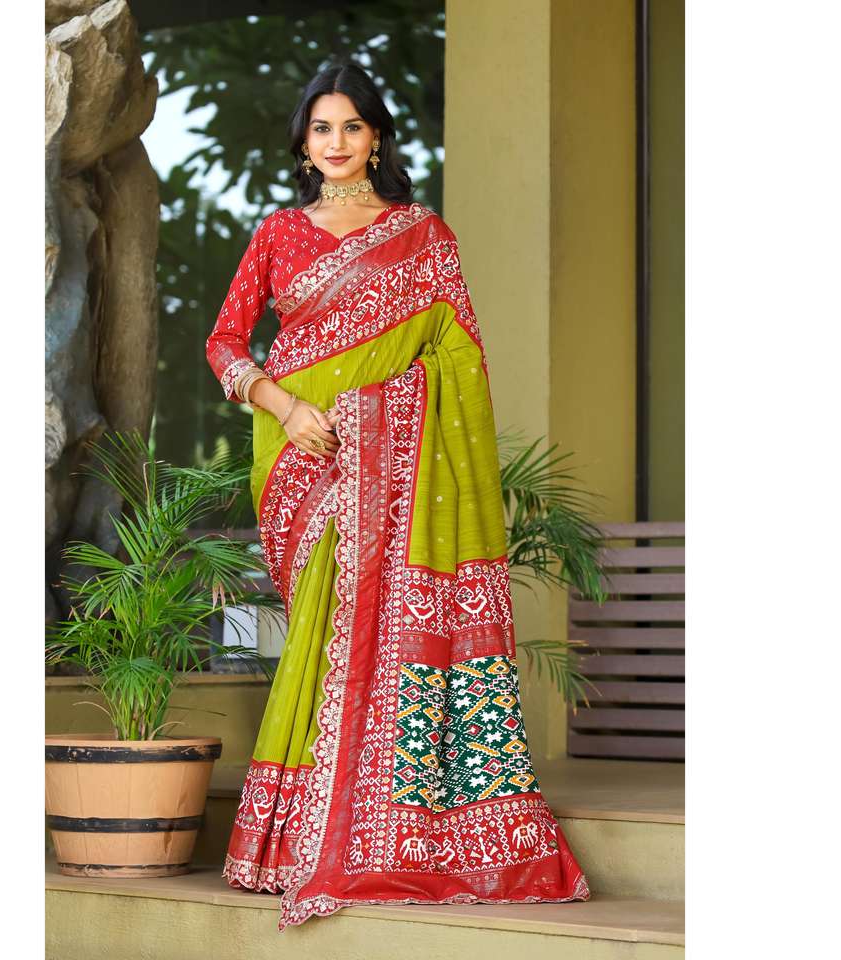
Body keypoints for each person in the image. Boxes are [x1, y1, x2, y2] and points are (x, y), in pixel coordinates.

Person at [206, 61, 589, 932]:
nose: (336, 142)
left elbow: (459, 359)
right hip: (301, 462)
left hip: (393, 468)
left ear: (376, 137)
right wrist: (285, 406)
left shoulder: (423, 236)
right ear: (304, 144)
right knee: (319, 631)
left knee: (367, 630)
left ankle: (376, 829)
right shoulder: (278, 235)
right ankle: (291, 835)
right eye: (321, 128)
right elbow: (225, 343)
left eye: (352, 126)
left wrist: (378, 415)